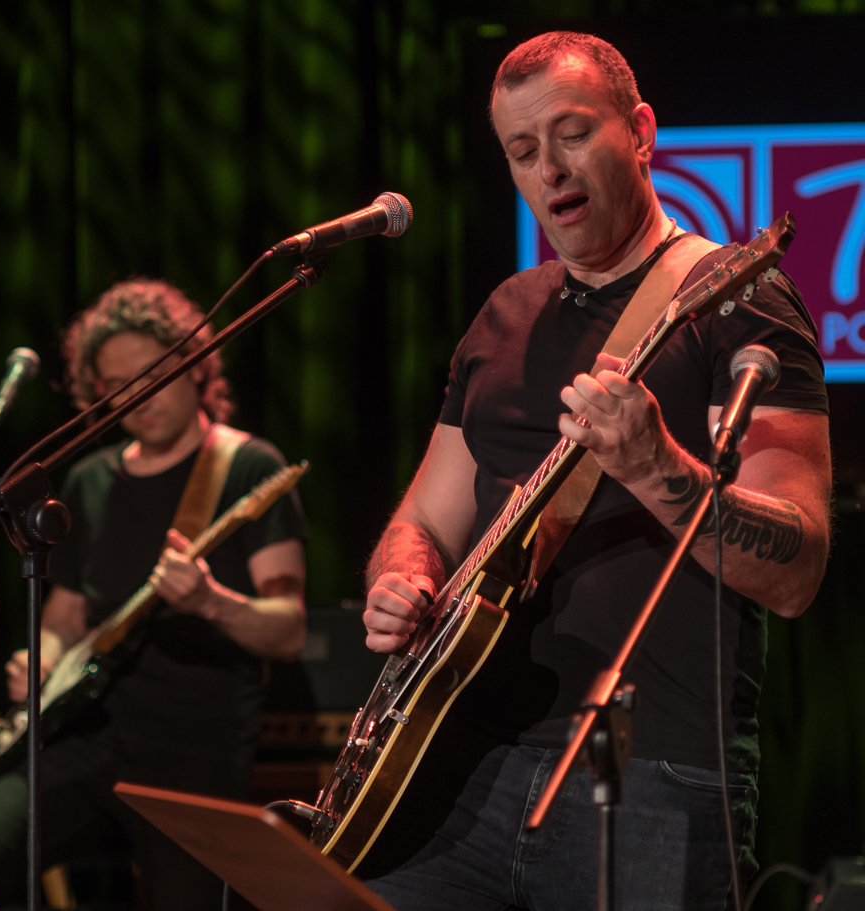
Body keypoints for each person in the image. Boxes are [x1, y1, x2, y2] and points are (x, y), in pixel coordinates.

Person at [358, 32, 831, 911]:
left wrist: (655, 464)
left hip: (649, 775)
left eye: (572, 134)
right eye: (522, 151)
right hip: (452, 766)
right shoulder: (504, 312)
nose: (549, 169)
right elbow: (423, 520)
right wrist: (402, 578)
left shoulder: (740, 298)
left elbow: (797, 567)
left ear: (641, 132)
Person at [0, 278, 307, 909]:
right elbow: (66, 613)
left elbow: (288, 628)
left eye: (153, 375)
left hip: (193, 753)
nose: (138, 396)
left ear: (195, 367)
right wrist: (42, 657)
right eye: (117, 384)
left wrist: (211, 602)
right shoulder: (89, 479)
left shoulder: (247, 465)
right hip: (87, 736)